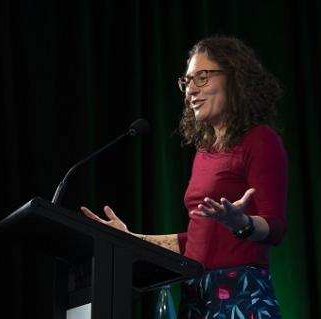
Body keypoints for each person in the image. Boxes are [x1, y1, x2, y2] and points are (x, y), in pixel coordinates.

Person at [81, 35, 287, 319]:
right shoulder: (204, 152)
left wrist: (243, 223)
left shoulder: (260, 140)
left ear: (235, 79)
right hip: (195, 296)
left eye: (201, 77)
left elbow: (275, 227)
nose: (190, 90)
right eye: (187, 81)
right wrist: (130, 238)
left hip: (241, 296)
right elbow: (196, 239)